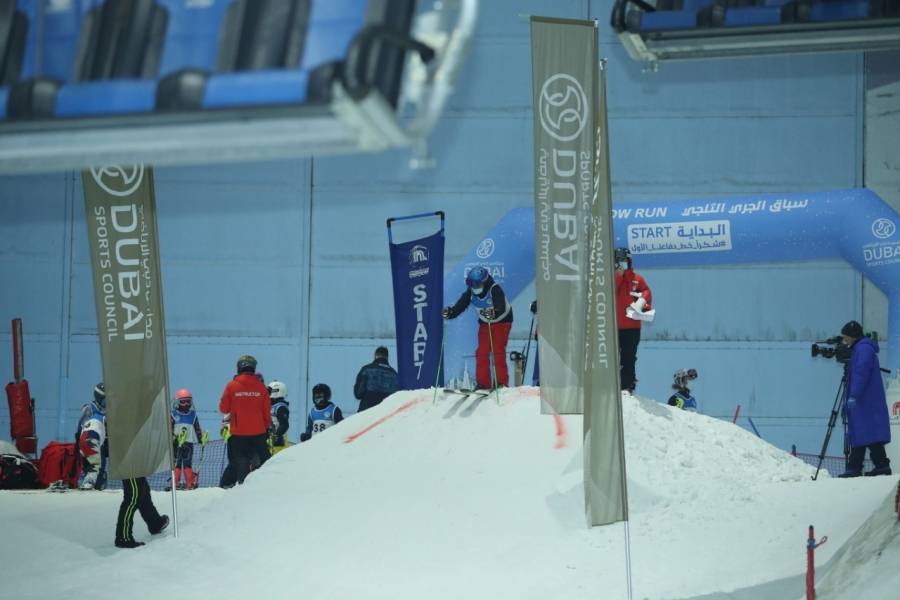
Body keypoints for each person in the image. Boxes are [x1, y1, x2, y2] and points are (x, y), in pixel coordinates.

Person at [442, 266, 513, 390]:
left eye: (477, 284)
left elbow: (500, 306)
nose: (474, 287)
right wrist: (451, 312)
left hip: (502, 322)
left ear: (484, 282)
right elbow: (461, 305)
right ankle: (483, 383)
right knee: (481, 352)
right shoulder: (471, 292)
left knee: (497, 351)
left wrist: (494, 312)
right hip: (485, 323)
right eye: (471, 284)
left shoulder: (494, 289)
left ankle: (501, 383)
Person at [838, 320, 892, 477]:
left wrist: (853, 395)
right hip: (865, 400)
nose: (845, 340)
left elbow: (861, 374)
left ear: (853, 336)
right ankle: (876, 465)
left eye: (846, 337)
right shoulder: (861, 348)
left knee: (865, 431)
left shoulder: (864, 349)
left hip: (865, 400)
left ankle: (858, 467)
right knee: (864, 432)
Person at [218, 355, 271, 485]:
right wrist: (265, 429)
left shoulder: (231, 386)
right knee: (264, 461)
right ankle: (266, 485)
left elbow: (224, 408)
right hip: (259, 433)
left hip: (238, 433)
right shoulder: (261, 388)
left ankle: (243, 487)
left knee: (241, 461)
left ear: (239, 367)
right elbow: (266, 414)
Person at [614, 248, 653, 394]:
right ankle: (611, 384)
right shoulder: (610, 278)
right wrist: (618, 275)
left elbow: (647, 293)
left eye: (625, 260)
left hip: (632, 327)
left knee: (629, 357)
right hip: (612, 327)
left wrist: (642, 304)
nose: (622, 263)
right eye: (619, 261)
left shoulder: (637, 279)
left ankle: (627, 385)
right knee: (611, 357)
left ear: (629, 261)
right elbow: (609, 290)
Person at [115, 477, 169, 548]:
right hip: (130, 471)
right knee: (133, 498)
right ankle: (123, 538)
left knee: (143, 491)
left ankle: (155, 523)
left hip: (137, 470)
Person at [75, 382, 108, 490]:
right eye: (105, 401)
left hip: (101, 441)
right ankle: (87, 483)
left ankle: (96, 484)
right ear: (98, 398)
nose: (107, 403)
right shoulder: (89, 409)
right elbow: (81, 426)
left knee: (99, 467)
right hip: (89, 440)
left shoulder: (107, 411)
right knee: (93, 465)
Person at [170, 389, 203, 490]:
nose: (186, 404)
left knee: (187, 463)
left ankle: (189, 484)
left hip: (188, 443)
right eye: (183, 402)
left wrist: (201, 439)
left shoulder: (192, 415)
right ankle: (176, 484)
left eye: (188, 401)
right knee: (177, 463)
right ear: (177, 402)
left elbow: (197, 428)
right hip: (176, 443)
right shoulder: (173, 414)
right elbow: (169, 428)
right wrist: (173, 437)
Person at [354, 346, 399, 412]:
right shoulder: (394, 374)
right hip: (386, 413)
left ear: (375, 356)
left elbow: (358, 394)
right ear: (387, 357)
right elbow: (396, 397)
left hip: (366, 411)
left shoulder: (366, 370)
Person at [267, 380, 290, 454]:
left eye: (269, 391)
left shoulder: (280, 407)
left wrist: (276, 436)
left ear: (276, 391)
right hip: (271, 441)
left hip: (278, 443)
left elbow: (284, 425)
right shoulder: (272, 406)